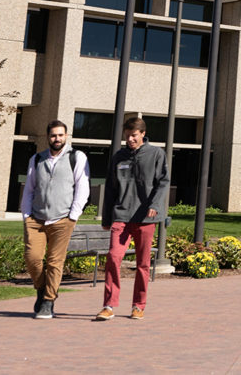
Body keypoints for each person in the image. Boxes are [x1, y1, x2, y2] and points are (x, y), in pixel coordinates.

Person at [97, 117, 168, 321]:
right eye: (127, 136)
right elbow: (110, 188)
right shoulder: (118, 157)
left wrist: (155, 205)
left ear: (143, 134)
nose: (130, 139)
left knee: (143, 264)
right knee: (113, 257)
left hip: (145, 218)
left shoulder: (156, 154)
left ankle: (138, 306)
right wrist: (107, 217)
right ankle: (109, 305)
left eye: (134, 135)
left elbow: (163, 182)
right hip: (121, 216)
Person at [20, 119, 89, 319]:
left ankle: (48, 301)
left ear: (66, 136)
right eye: (53, 135)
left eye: (60, 135)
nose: (57, 138)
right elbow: (29, 190)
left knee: (54, 262)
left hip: (62, 219)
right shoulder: (37, 159)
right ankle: (41, 289)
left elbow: (82, 188)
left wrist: (73, 216)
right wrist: (26, 215)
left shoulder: (77, 157)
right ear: (48, 137)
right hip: (36, 219)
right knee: (32, 258)